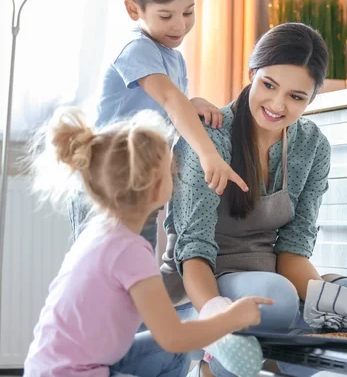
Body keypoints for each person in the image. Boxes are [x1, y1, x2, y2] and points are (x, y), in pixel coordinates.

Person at [161, 22, 347, 377]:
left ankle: (294, 357)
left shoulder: (312, 145)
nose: (277, 105)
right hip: (203, 290)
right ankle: (216, 363)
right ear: (251, 73)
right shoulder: (209, 138)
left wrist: (329, 304)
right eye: (268, 85)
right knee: (277, 299)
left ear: (311, 99)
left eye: (297, 96)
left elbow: (293, 254)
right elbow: (193, 256)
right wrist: (214, 318)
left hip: (276, 281)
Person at [24, 108, 272, 377]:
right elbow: (173, 337)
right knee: (176, 346)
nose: (175, 175)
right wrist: (232, 318)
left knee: (173, 355)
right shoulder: (129, 251)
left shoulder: (101, 233)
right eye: (170, 169)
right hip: (72, 373)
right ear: (152, 185)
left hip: (49, 367)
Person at [68, 0, 248, 250]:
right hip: (107, 183)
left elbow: (166, 106)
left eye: (188, 11)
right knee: (101, 271)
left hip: (143, 184)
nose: (179, 25)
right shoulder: (135, 47)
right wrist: (209, 155)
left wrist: (191, 102)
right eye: (166, 16)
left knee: (137, 270)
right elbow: (168, 99)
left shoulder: (173, 57)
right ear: (133, 10)